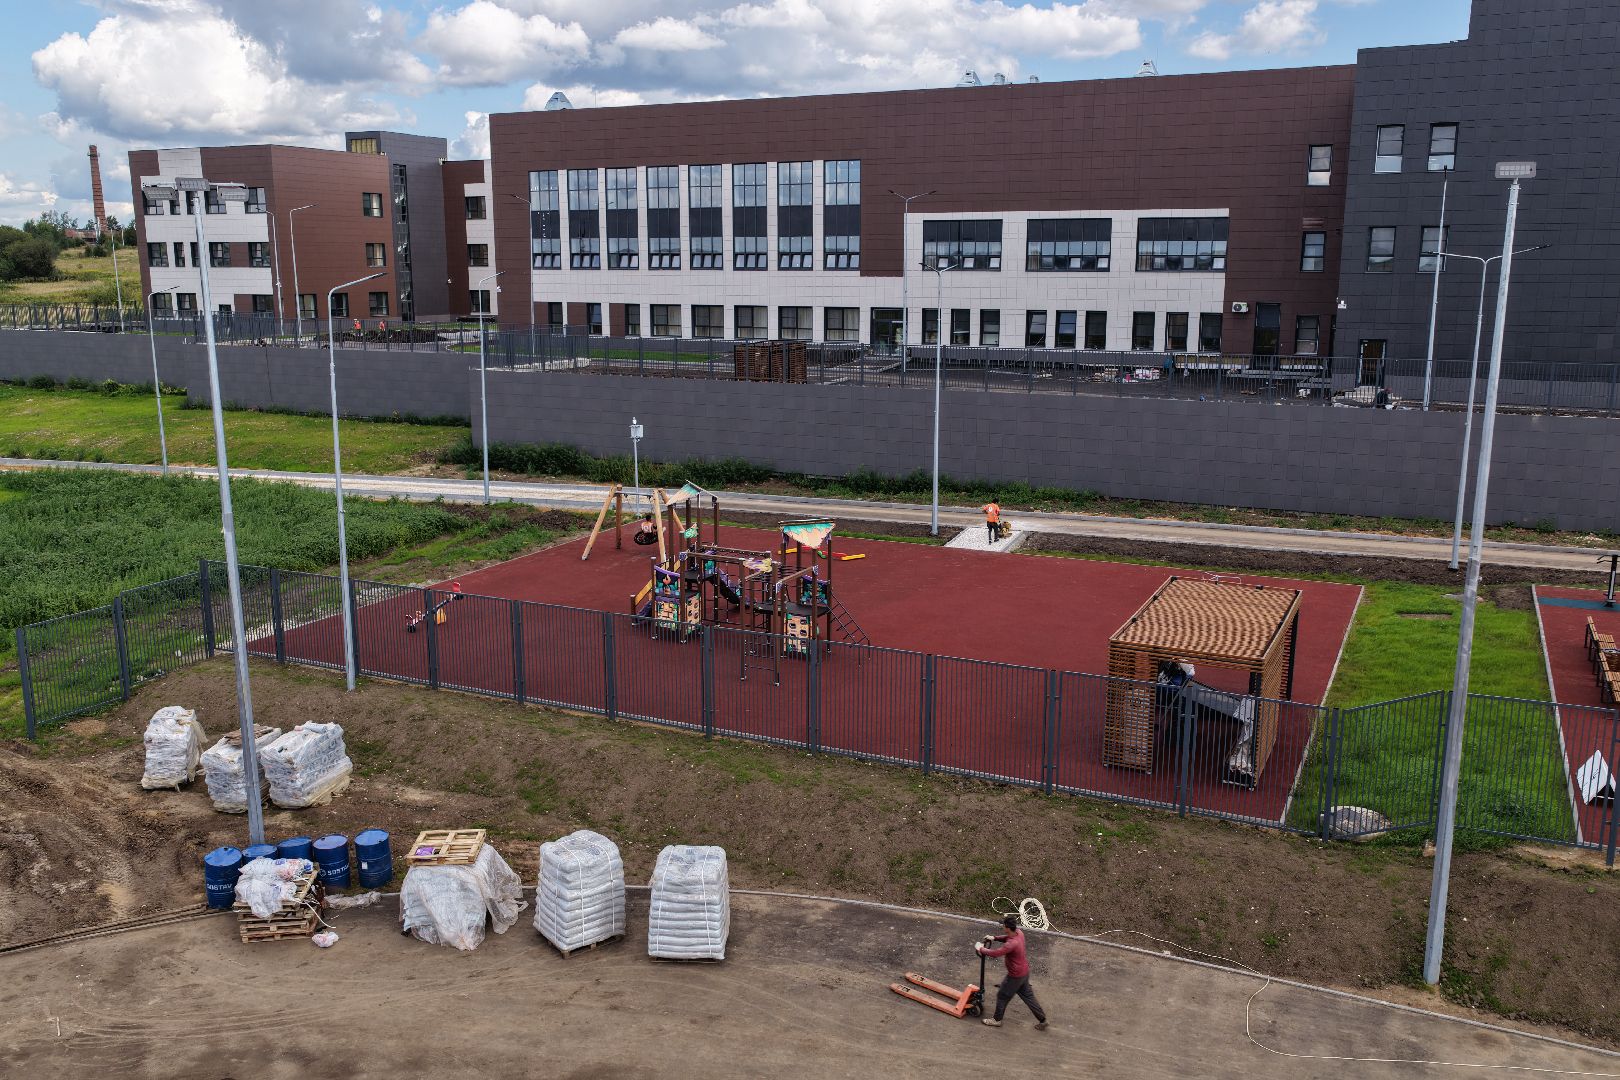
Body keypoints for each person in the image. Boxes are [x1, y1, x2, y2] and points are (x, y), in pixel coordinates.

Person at [977, 914, 1048, 1030]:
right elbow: (1007, 937)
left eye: (1003, 926)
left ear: (1007, 928)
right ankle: (1043, 1020)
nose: (1002, 927)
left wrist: (981, 948)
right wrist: (994, 938)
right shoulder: (1019, 933)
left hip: (1014, 977)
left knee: (1002, 995)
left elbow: (995, 953)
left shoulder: (1011, 944)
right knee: (1028, 996)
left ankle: (996, 1020)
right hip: (1024, 973)